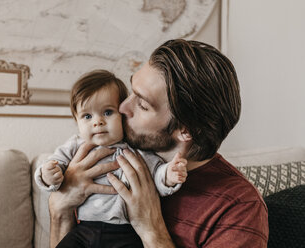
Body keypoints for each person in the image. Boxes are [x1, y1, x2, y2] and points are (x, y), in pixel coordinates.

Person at [48, 39, 269, 248]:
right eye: (131, 91)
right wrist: (60, 208)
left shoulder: (239, 206)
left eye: (142, 104)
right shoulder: (95, 161)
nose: (123, 107)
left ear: (185, 130)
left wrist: (152, 230)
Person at [35, 70, 187, 247]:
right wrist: (48, 175)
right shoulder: (75, 146)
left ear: (122, 115)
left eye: (107, 112)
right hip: (84, 229)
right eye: (87, 116)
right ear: (76, 121)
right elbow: (54, 164)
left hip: (126, 232)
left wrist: (169, 175)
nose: (97, 122)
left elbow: (155, 174)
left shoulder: (137, 150)